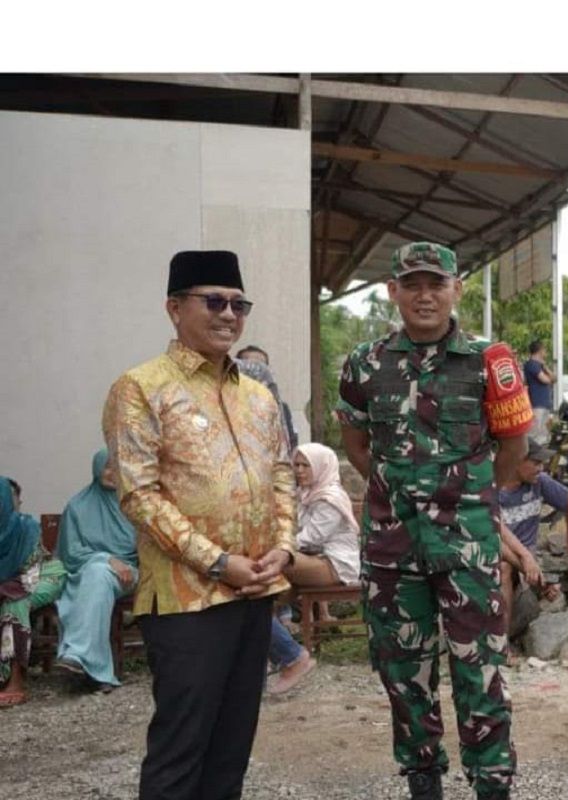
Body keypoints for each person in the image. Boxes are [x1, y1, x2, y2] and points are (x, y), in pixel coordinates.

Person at [337, 242, 532, 800]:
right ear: (393, 291)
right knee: (402, 670)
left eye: (436, 284)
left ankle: (492, 784)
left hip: (466, 546)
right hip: (392, 548)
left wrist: (465, 495)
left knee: (480, 671)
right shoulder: (365, 363)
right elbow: (356, 441)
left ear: (456, 289)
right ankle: (423, 778)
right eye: (413, 284)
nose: (425, 295)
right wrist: (402, 490)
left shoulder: (489, 360)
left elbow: (513, 448)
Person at [103, 250, 297, 799]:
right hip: (186, 598)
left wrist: (282, 548)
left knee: (231, 749)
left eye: (239, 304)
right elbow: (138, 494)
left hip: (256, 590)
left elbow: (283, 473)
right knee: (180, 749)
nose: (228, 314)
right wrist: (218, 562)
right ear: (174, 307)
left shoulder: (258, 396)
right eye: (213, 301)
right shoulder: (140, 388)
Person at [266, 442, 362, 694]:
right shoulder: (306, 494)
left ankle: (291, 655)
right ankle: (277, 647)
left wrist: (273, 548)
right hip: (313, 559)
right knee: (262, 594)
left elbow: (307, 538)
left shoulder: (329, 498)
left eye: (305, 465)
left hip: (335, 565)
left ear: (321, 466)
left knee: (272, 566)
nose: (299, 471)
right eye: (296, 465)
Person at [54, 448, 138, 690]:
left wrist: (122, 563)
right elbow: (70, 553)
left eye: (117, 466)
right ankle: (95, 671)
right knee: (98, 573)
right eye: (107, 466)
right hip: (87, 571)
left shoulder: (133, 504)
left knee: (97, 574)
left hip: (130, 573)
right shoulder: (78, 506)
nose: (113, 472)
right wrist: (106, 558)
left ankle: (77, 653)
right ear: (96, 469)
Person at [497, 439, 568, 628]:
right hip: (499, 550)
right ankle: (502, 644)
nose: (541, 468)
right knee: (504, 566)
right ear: (516, 461)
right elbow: (497, 533)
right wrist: (526, 560)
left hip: (528, 552)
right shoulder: (494, 489)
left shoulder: (539, 482)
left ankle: (539, 584)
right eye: (535, 463)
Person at [0, 476, 66, 707]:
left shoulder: (25, 527)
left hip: (43, 575)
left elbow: (28, 574)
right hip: (8, 583)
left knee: (14, 604)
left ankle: (16, 681)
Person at [236, 345, 299, 452]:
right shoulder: (226, 402)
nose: (257, 371)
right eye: (250, 365)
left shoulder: (280, 407)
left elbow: (290, 440)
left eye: (262, 366)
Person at [523, 340, 556, 444]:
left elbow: (555, 378)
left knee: (544, 434)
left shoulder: (541, 366)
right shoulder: (531, 365)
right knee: (534, 433)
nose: (545, 352)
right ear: (540, 350)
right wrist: (550, 377)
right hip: (536, 403)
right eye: (544, 350)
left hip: (545, 403)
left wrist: (546, 367)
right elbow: (545, 380)